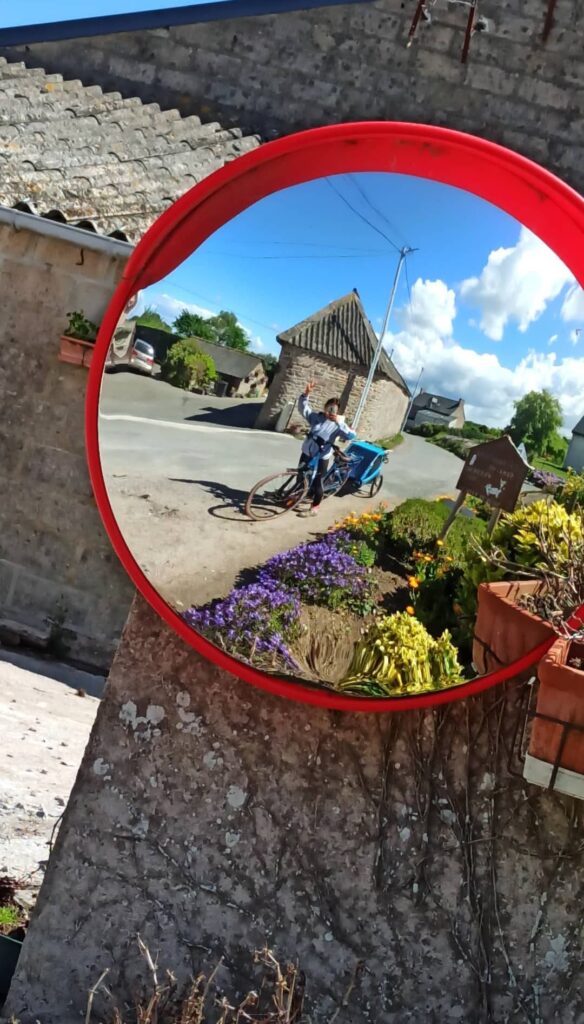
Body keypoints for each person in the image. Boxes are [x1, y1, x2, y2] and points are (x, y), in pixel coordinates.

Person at [296, 381, 356, 516]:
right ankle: (296, 497)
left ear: (338, 411)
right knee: (301, 476)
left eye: (334, 410)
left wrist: (339, 423)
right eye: (329, 408)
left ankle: (314, 508)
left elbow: (351, 435)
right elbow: (303, 409)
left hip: (322, 457)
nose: (330, 412)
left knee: (318, 482)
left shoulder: (338, 425)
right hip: (307, 452)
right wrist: (306, 394)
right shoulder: (316, 417)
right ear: (325, 407)